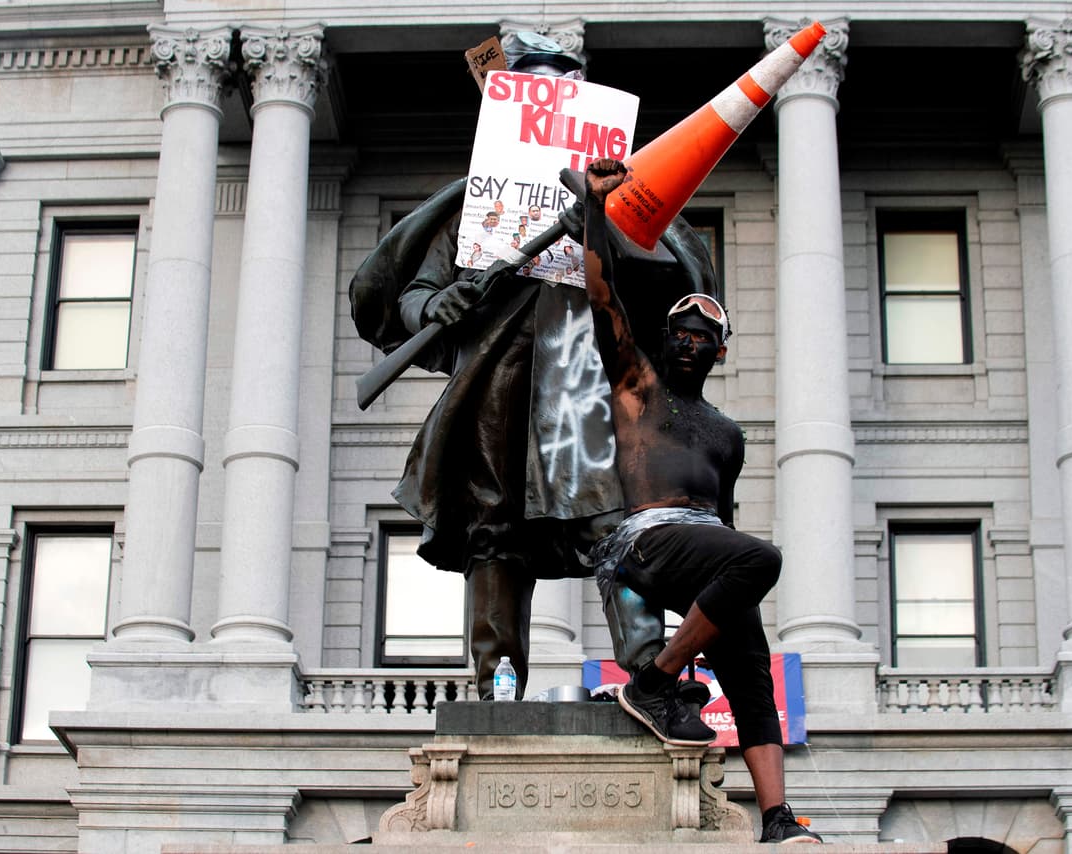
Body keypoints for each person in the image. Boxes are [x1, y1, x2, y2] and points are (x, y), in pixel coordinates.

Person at [349, 35, 720, 700]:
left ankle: (649, 671)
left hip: (583, 376)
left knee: (618, 518)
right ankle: (497, 685)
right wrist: (440, 300)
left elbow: (671, 281)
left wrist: (598, 221)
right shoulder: (476, 201)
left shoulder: (618, 197)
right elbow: (411, 298)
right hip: (493, 383)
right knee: (495, 533)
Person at [582, 158, 822, 846]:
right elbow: (602, 296)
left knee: (751, 676)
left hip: (705, 550)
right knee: (763, 559)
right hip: (644, 540)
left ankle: (778, 818)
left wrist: (721, 600)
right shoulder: (636, 385)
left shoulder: (727, 432)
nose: (689, 344)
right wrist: (596, 207)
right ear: (665, 337)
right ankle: (655, 683)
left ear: (720, 352)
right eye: (680, 333)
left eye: (703, 339)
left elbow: (725, 520)